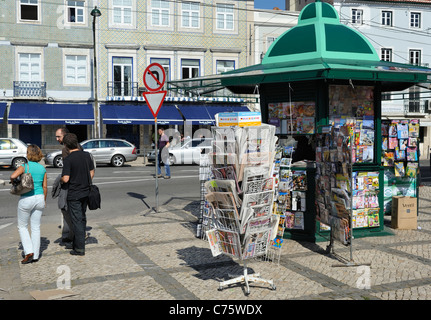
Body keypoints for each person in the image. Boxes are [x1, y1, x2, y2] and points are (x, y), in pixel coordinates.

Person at [10, 144, 47, 264]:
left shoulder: (24, 166)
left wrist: (15, 181)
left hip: (27, 198)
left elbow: (13, 176)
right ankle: (35, 255)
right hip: (40, 197)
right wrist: (44, 200)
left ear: (28, 154)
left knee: (22, 226)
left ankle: (29, 251)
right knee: (36, 227)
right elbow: (45, 186)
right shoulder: (42, 168)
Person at [60, 133, 95, 256]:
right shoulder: (86, 155)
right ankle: (77, 243)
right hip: (85, 191)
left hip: (74, 193)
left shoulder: (69, 159)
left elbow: (66, 179)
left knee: (77, 220)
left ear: (66, 145)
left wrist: (60, 179)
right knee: (82, 217)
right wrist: (85, 181)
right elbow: (92, 171)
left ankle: (79, 248)